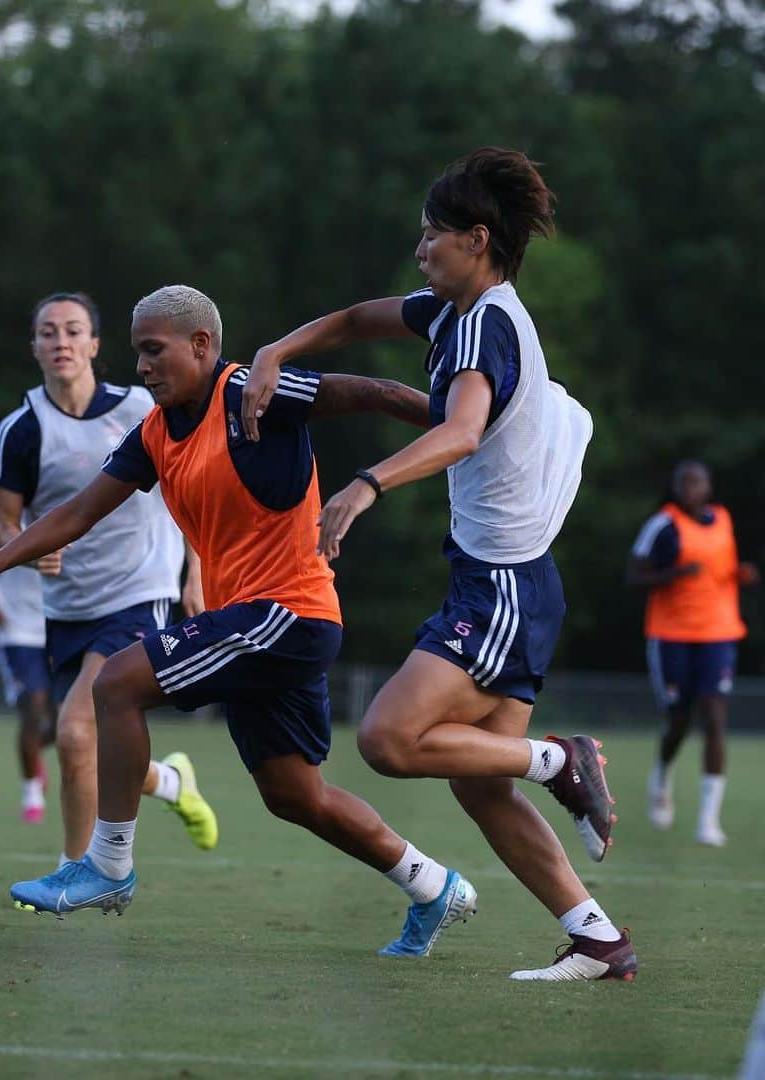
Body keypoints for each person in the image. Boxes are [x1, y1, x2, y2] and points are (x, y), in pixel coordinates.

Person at [0, 284, 490, 958]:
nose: (142, 367)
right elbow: (75, 514)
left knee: (116, 686)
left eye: (153, 350)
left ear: (203, 346)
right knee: (294, 796)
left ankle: (108, 866)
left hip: (289, 613)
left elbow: (364, 390)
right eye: (137, 353)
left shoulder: (251, 389)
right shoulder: (157, 431)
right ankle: (433, 886)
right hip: (257, 624)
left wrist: (458, 426)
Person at [240, 147, 636, 981]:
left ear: (477, 240)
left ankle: (564, 760)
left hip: (502, 588)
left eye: (433, 235)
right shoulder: (453, 312)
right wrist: (276, 350)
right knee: (479, 784)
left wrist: (364, 486)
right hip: (504, 582)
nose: (421, 248)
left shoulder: (486, 323)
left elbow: (460, 431)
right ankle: (599, 939)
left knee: (388, 737)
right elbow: (353, 319)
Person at [0, 290, 218, 865]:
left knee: (74, 734)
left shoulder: (142, 408)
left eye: (72, 330)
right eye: (47, 332)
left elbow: (190, 488)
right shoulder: (21, 430)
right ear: (34, 347)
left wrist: (196, 573)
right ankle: (169, 783)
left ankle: (74, 871)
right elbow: (6, 523)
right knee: (85, 746)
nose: (60, 341)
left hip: (141, 591)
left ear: (94, 345)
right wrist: (26, 553)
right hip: (66, 609)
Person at [626, 460, 758, 845]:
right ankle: (662, 775)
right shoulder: (662, 525)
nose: (690, 488)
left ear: (708, 487)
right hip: (672, 636)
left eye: (697, 482)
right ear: (675, 486)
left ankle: (708, 821)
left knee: (715, 716)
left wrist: (742, 575)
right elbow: (633, 576)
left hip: (719, 632)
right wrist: (672, 575)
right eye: (684, 482)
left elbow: (723, 570)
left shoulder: (723, 520)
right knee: (679, 721)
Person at [0, 513, 58, 823]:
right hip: (16, 626)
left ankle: (33, 755)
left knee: (67, 719)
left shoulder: (77, 503)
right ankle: (32, 791)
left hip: (60, 622)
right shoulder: (3, 515)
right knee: (32, 705)